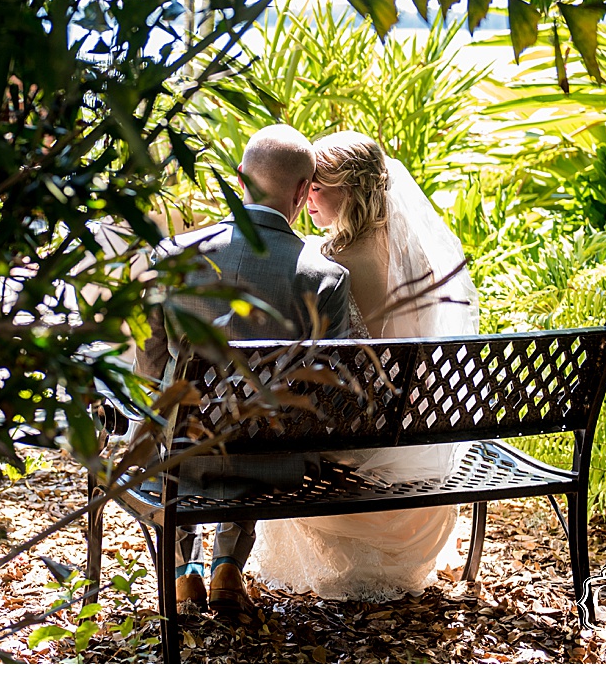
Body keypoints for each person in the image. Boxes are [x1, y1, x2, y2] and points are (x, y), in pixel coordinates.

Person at [248, 130, 480, 601]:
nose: (305, 196)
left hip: (356, 443)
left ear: (348, 191)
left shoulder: (328, 262)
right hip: (416, 436)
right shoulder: (419, 258)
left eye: (316, 186)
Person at [135, 124, 352, 615]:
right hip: (273, 460)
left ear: (238, 179)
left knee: (169, 414)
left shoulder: (172, 257)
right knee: (263, 415)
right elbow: (333, 385)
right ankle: (227, 562)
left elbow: (149, 366)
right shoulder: (325, 277)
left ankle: (179, 570)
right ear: (302, 192)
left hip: (180, 453)